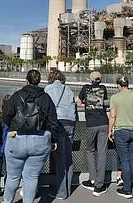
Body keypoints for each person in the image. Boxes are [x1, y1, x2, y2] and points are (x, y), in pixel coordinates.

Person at [1, 69, 66, 203]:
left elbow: (5, 115)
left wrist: (14, 126)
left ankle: (7, 201)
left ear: (27, 80)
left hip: (16, 139)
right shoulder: (46, 98)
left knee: (13, 176)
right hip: (40, 140)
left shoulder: (17, 95)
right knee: (31, 177)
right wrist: (53, 140)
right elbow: (53, 121)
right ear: (39, 80)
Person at [108, 76, 133, 200]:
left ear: (119, 86)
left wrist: (110, 130)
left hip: (121, 132)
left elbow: (113, 116)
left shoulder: (115, 97)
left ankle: (127, 189)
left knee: (124, 161)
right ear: (128, 85)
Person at [45, 69, 77, 199]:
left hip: (58, 123)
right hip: (71, 122)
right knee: (68, 158)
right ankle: (67, 189)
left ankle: (62, 192)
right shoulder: (68, 90)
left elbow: (45, 107)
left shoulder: (48, 89)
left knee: (59, 158)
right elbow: (74, 106)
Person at [77, 71, 109, 196]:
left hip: (91, 124)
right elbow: (104, 103)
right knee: (102, 153)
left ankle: (92, 179)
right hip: (103, 123)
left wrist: (87, 104)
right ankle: (99, 186)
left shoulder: (85, 88)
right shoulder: (103, 88)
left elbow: (79, 103)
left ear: (90, 79)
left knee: (90, 150)